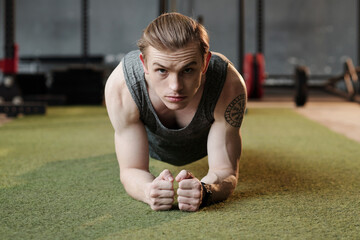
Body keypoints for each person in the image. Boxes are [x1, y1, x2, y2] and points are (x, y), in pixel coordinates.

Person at [105, 12, 246, 212]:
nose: (175, 87)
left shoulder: (228, 85)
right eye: (162, 70)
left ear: (205, 63)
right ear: (144, 64)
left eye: (187, 70)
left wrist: (205, 191)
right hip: (151, 142)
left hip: (203, 143)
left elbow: (224, 170)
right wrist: (148, 190)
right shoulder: (122, 87)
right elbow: (132, 168)